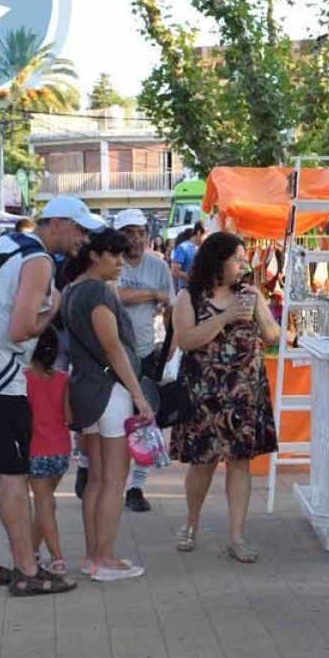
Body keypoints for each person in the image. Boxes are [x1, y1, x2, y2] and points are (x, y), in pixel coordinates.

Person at [0, 195, 101, 596]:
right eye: (80, 229)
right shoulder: (39, 260)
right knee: (12, 476)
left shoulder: (9, 243)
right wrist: (53, 307)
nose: (83, 239)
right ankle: (27, 570)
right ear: (57, 223)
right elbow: (21, 329)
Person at [171, 232, 280, 560]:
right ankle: (190, 523)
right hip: (204, 395)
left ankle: (236, 537)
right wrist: (225, 317)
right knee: (202, 464)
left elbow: (273, 336)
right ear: (217, 261)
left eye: (244, 260)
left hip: (244, 394)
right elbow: (186, 340)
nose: (243, 265)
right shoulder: (189, 297)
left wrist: (260, 308)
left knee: (240, 463)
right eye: (237, 259)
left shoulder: (249, 294)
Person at [61, 228, 154, 581]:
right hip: (110, 392)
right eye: (113, 255)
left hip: (86, 389)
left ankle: (93, 557)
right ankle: (104, 559)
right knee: (114, 481)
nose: (120, 263)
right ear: (95, 256)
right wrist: (139, 395)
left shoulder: (72, 290)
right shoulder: (97, 292)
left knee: (97, 479)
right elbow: (113, 348)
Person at [114, 208, 172, 512]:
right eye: (129, 233)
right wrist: (152, 294)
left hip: (146, 353)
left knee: (146, 421)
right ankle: (98, 474)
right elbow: (116, 295)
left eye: (141, 233)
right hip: (112, 355)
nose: (136, 239)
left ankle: (135, 487)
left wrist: (171, 345)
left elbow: (171, 305)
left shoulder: (158, 266)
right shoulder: (111, 262)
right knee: (112, 422)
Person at [26, 327, 70, 573]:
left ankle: (57, 557)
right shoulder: (63, 379)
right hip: (61, 450)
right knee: (46, 503)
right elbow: (69, 417)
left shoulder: (22, 379)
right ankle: (32, 550)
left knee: (44, 504)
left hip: (36, 450)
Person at [170, 221, 204, 290]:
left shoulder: (200, 248)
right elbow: (175, 271)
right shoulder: (182, 247)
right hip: (186, 290)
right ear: (199, 233)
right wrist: (193, 279)